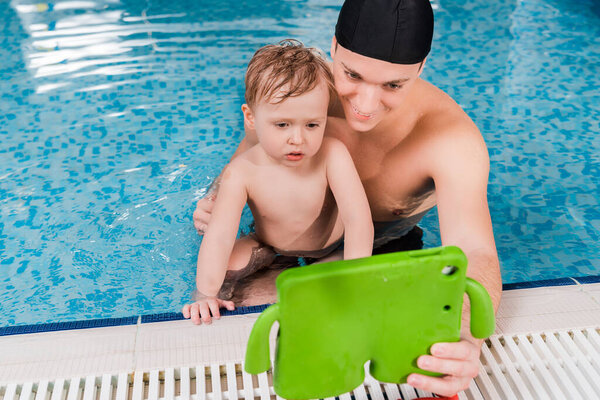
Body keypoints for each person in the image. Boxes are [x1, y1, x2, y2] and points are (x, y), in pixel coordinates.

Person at [194, 0, 502, 396]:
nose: (366, 104)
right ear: (334, 48)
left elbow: (475, 250)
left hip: (381, 247)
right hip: (282, 239)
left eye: (393, 85)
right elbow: (249, 154)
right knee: (232, 300)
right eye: (352, 75)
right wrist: (215, 199)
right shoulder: (303, 91)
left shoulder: (451, 141)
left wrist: (462, 335)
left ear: (422, 67)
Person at [182, 40, 373, 326]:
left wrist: (354, 278)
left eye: (312, 124)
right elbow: (219, 236)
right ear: (251, 118)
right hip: (268, 247)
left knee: (344, 267)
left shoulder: (333, 155)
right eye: (282, 125)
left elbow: (358, 221)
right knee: (227, 268)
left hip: (329, 248)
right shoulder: (242, 172)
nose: (298, 138)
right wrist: (205, 294)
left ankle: (302, 282)